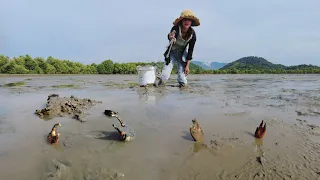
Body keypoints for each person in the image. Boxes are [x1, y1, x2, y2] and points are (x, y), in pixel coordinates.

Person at [157, 9, 200, 88]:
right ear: (181, 21)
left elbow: (190, 51)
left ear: (191, 22)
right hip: (171, 53)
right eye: (185, 20)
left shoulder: (192, 34)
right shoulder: (176, 28)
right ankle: (159, 87)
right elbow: (171, 34)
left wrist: (187, 66)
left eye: (189, 20)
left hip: (182, 54)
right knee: (165, 76)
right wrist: (171, 36)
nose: (187, 22)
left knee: (182, 80)